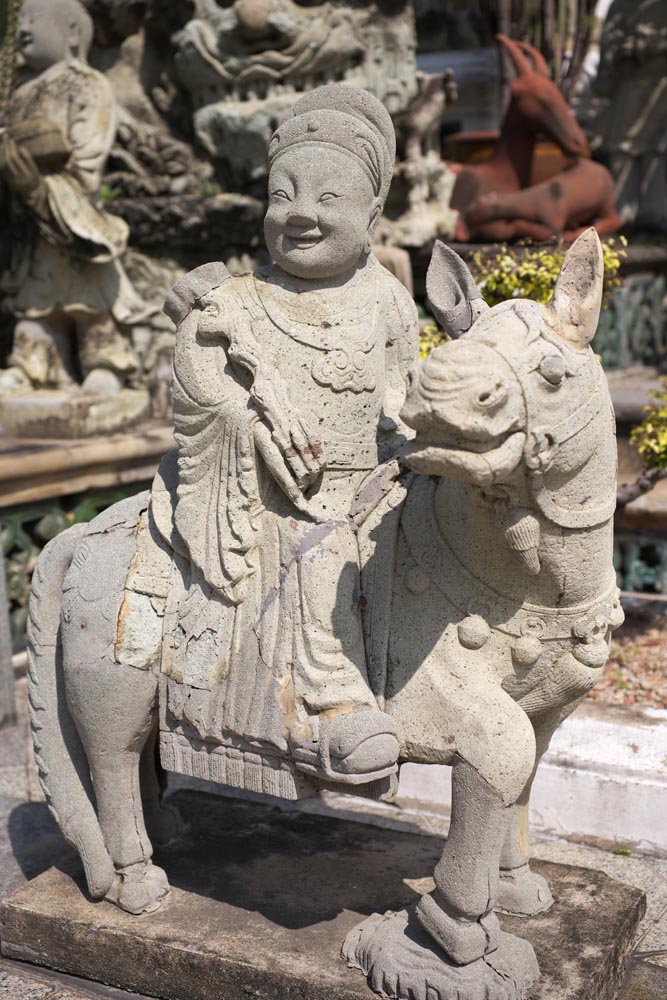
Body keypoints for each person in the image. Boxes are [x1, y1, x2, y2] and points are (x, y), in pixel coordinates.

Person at [160, 84, 419, 784]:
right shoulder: (239, 302)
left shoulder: (387, 302)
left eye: (328, 200)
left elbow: (405, 404)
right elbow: (194, 393)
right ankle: (323, 706)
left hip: (372, 489)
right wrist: (249, 431)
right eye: (284, 195)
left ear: (372, 212)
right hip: (270, 502)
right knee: (318, 546)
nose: (301, 213)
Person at [0, 0, 148, 395]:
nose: (24, 29)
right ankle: (31, 365)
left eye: (36, 19)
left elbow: (87, 154)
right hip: (29, 215)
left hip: (69, 209)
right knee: (35, 303)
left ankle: (105, 363)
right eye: (22, 21)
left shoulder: (85, 83)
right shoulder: (17, 95)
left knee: (88, 302)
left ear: (71, 33)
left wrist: (41, 180)